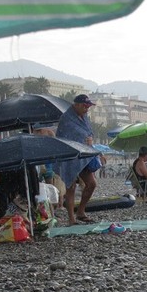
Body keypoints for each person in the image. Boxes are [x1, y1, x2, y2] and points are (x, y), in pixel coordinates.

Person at [55, 94, 98, 225]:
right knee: (71, 186)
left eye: (88, 106)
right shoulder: (66, 119)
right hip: (69, 155)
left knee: (91, 184)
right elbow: (65, 137)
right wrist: (84, 138)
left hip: (84, 155)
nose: (87, 109)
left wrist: (90, 141)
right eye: (85, 106)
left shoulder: (84, 118)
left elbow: (88, 133)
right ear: (77, 104)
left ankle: (80, 211)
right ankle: (71, 218)